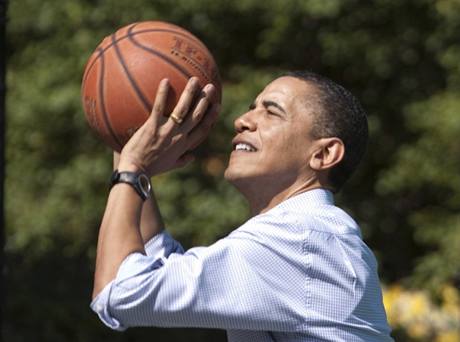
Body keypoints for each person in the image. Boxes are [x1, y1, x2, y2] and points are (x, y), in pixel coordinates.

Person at [91, 71, 394, 341]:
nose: (242, 121)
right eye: (252, 108)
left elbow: (119, 291)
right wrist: (129, 149)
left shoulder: (299, 238)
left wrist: (131, 168)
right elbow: (155, 261)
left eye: (272, 112)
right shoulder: (308, 234)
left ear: (324, 154)